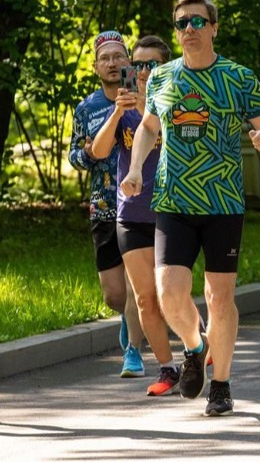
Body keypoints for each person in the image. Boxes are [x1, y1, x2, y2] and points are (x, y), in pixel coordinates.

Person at [121, 0, 260, 416]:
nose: (189, 29)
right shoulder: (161, 78)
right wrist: (136, 168)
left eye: (197, 21)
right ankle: (195, 346)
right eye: (182, 23)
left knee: (218, 297)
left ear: (214, 27)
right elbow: (148, 128)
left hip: (222, 202)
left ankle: (222, 384)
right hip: (173, 199)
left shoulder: (238, 78)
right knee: (169, 293)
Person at [92, 35, 185, 395]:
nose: (144, 71)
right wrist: (117, 111)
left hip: (171, 212)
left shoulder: (178, 103)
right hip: (130, 214)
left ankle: (198, 345)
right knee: (144, 298)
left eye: (152, 64)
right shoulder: (125, 108)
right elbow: (100, 151)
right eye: (139, 64)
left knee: (169, 294)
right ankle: (167, 368)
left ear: (166, 67)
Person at [69, 30, 143, 377]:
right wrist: (88, 152)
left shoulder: (145, 99)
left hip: (140, 204)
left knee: (135, 285)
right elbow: (74, 155)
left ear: (129, 61)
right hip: (104, 206)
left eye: (118, 56)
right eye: (105, 58)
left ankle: (133, 351)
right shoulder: (87, 108)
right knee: (114, 295)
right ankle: (129, 320)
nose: (113, 63)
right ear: (96, 67)